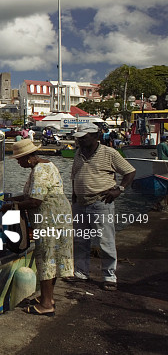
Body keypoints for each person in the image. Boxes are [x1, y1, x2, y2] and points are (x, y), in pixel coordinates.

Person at [1, 138, 73, 316]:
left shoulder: (40, 171)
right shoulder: (46, 165)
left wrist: (12, 206)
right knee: (52, 257)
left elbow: (35, 201)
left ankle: (47, 304)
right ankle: (47, 297)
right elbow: (30, 194)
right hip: (57, 216)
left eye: (19, 160)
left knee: (46, 258)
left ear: (28, 158)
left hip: (50, 218)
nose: (18, 163)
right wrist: (11, 199)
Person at [70, 122, 136, 291]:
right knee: (80, 240)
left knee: (105, 241)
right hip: (80, 203)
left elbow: (129, 171)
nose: (80, 141)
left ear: (95, 136)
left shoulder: (109, 153)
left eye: (84, 138)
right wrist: (74, 194)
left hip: (101, 202)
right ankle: (81, 272)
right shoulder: (78, 153)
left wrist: (119, 189)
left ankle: (109, 276)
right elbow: (74, 175)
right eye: (79, 138)